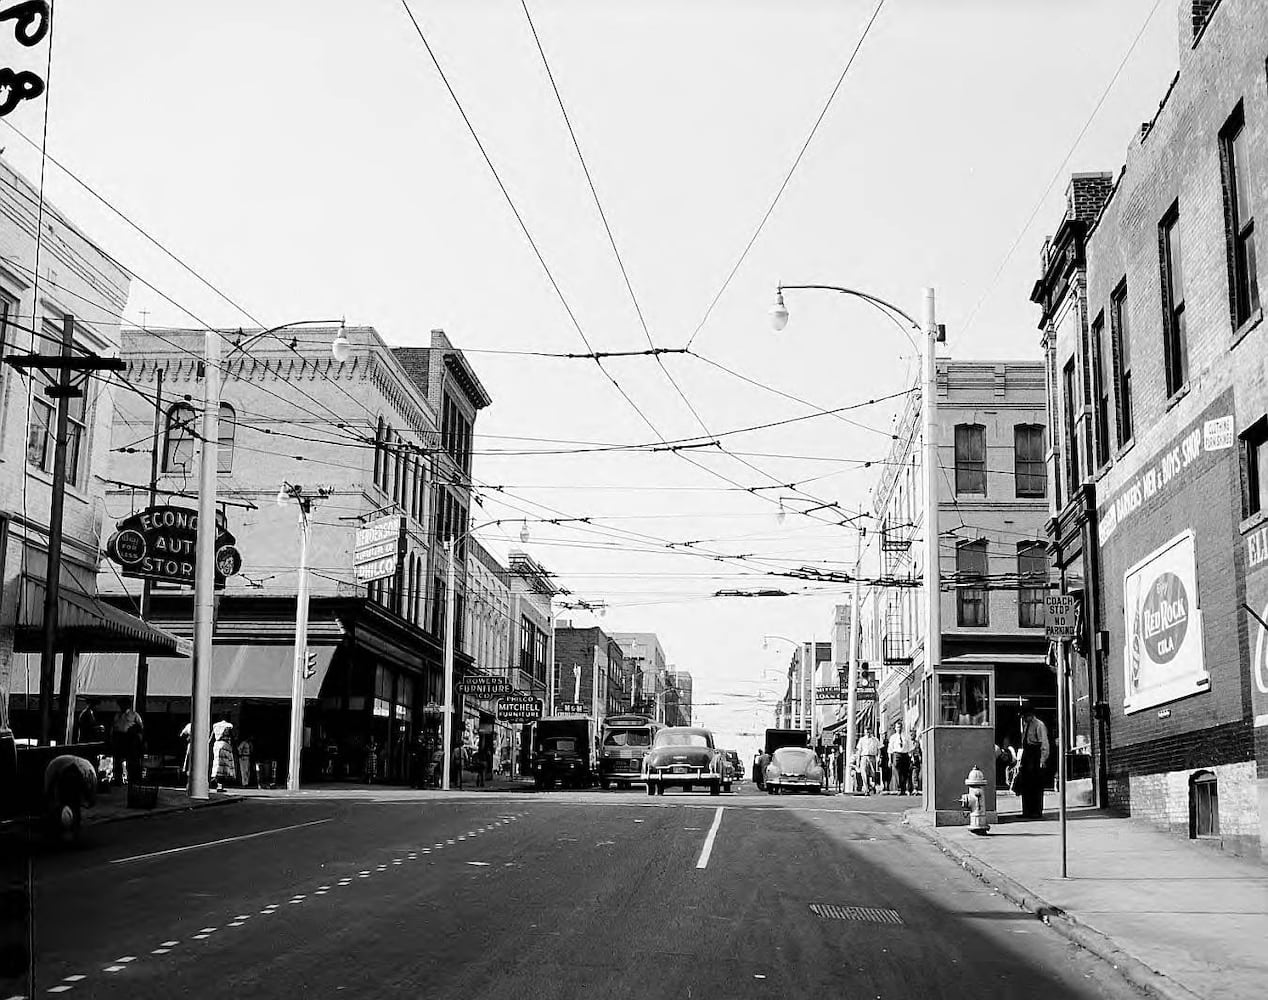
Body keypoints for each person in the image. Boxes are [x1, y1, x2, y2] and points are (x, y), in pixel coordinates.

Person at [1017, 702, 1050, 818]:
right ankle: (1026, 810)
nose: (1024, 718)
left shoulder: (1039, 725)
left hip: (1035, 756)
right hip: (1027, 755)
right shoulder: (1026, 725)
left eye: (1025, 716)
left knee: (1036, 784)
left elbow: (1044, 744)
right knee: (1025, 784)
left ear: (1030, 714)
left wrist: (1042, 760)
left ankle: (1036, 811)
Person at [111, 697, 145, 788]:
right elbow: (114, 728)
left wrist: (139, 741)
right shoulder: (117, 715)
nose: (121, 706)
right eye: (120, 705)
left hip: (130, 739)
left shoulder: (134, 715)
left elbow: (140, 729)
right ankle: (117, 779)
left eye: (123, 704)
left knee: (131, 761)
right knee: (117, 761)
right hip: (119, 739)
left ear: (128, 705)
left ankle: (132, 780)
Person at [211, 716, 236, 792]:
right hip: (224, 746)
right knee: (223, 767)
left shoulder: (215, 727)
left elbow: (211, 738)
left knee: (218, 766)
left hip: (217, 746)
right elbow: (232, 737)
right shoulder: (227, 728)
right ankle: (220, 785)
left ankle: (218, 784)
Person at [887, 721, 913, 795]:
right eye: (897, 727)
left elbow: (910, 748)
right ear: (895, 728)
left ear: (902, 728)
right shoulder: (893, 737)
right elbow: (890, 749)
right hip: (897, 755)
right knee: (897, 772)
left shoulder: (906, 736)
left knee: (905, 772)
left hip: (905, 755)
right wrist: (890, 759)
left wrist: (911, 757)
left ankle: (904, 788)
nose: (899, 729)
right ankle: (899, 788)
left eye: (900, 727)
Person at [855, 730, 881, 794]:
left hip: (872, 757)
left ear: (871, 732)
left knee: (873, 773)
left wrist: (878, 757)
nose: (868, 734)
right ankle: (866, 788)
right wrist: (858, 761)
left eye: (869, 732)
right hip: (864, 756)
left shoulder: (875, 740)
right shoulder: (862, 740)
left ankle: (873, 786)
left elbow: (879, 749)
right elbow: (859, 750)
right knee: (864, 773)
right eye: (866, 732)